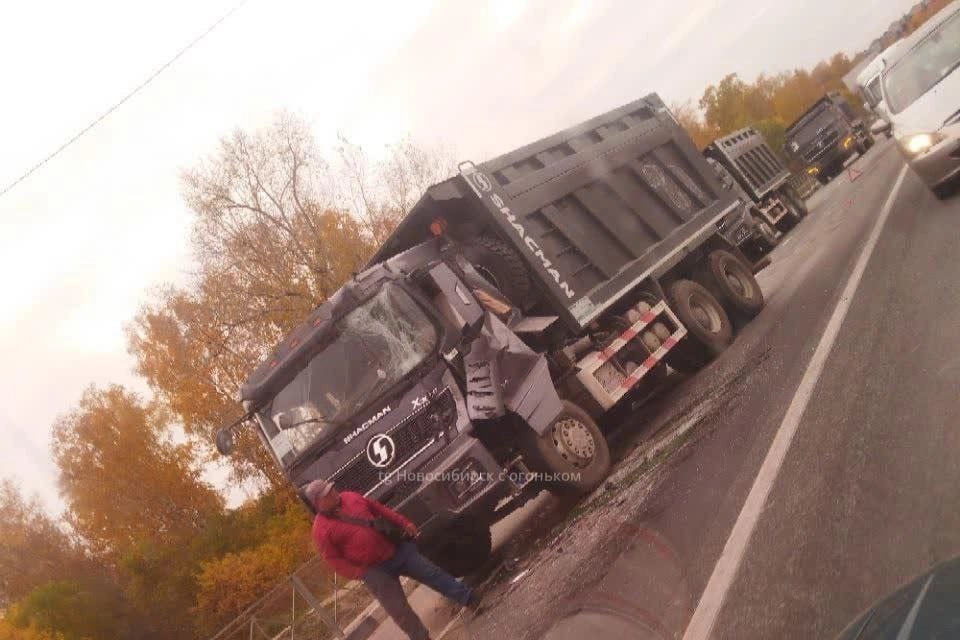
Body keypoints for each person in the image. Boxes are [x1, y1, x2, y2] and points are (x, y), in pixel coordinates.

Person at [304, 479, 477, 640]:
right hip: (375, 571)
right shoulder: (320, 530)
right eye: (328, 493)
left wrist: (404, 523)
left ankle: (469, 599)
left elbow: (379, 509)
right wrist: (360, 573)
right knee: (400, 611)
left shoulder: (350, 496)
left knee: (433, 573)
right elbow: (333, 560)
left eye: (332, 488)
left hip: (397, 549)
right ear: (318, 503)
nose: (334, 492)